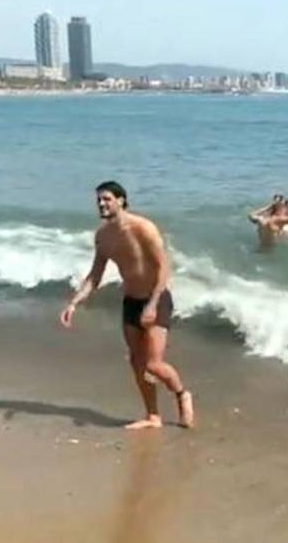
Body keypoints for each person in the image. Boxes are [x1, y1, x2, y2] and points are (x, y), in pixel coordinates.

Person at [59, 181, 194, 430]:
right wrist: (74, 303)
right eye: (99, 200)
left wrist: (152, 304)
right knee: (136, 361)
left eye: (107, 199)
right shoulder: (103, 237)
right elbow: (95, 275)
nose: (101, 204)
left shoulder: (143, 228)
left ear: (121, 200)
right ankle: (153, 416)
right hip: (131, 300)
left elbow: (164, 267)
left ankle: (182, 394)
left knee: (154, 363)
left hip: (156, 297)